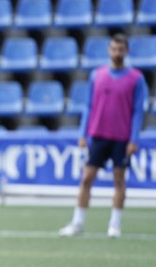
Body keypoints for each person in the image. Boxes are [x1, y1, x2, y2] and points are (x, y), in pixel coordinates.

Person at [59, 33, 148, 238]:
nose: (117, 53)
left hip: (122, 137)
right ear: (109, 50)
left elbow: (137, 111)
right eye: (114, 49)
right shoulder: (96, 75)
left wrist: (134, 139)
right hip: (98, 135)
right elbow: (89, 106)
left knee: (119, 180)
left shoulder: (136, 79)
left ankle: (114, 225)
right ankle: (77, 222)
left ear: (126, 51)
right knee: (86, 178)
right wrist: (83, 132)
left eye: (121, 49)